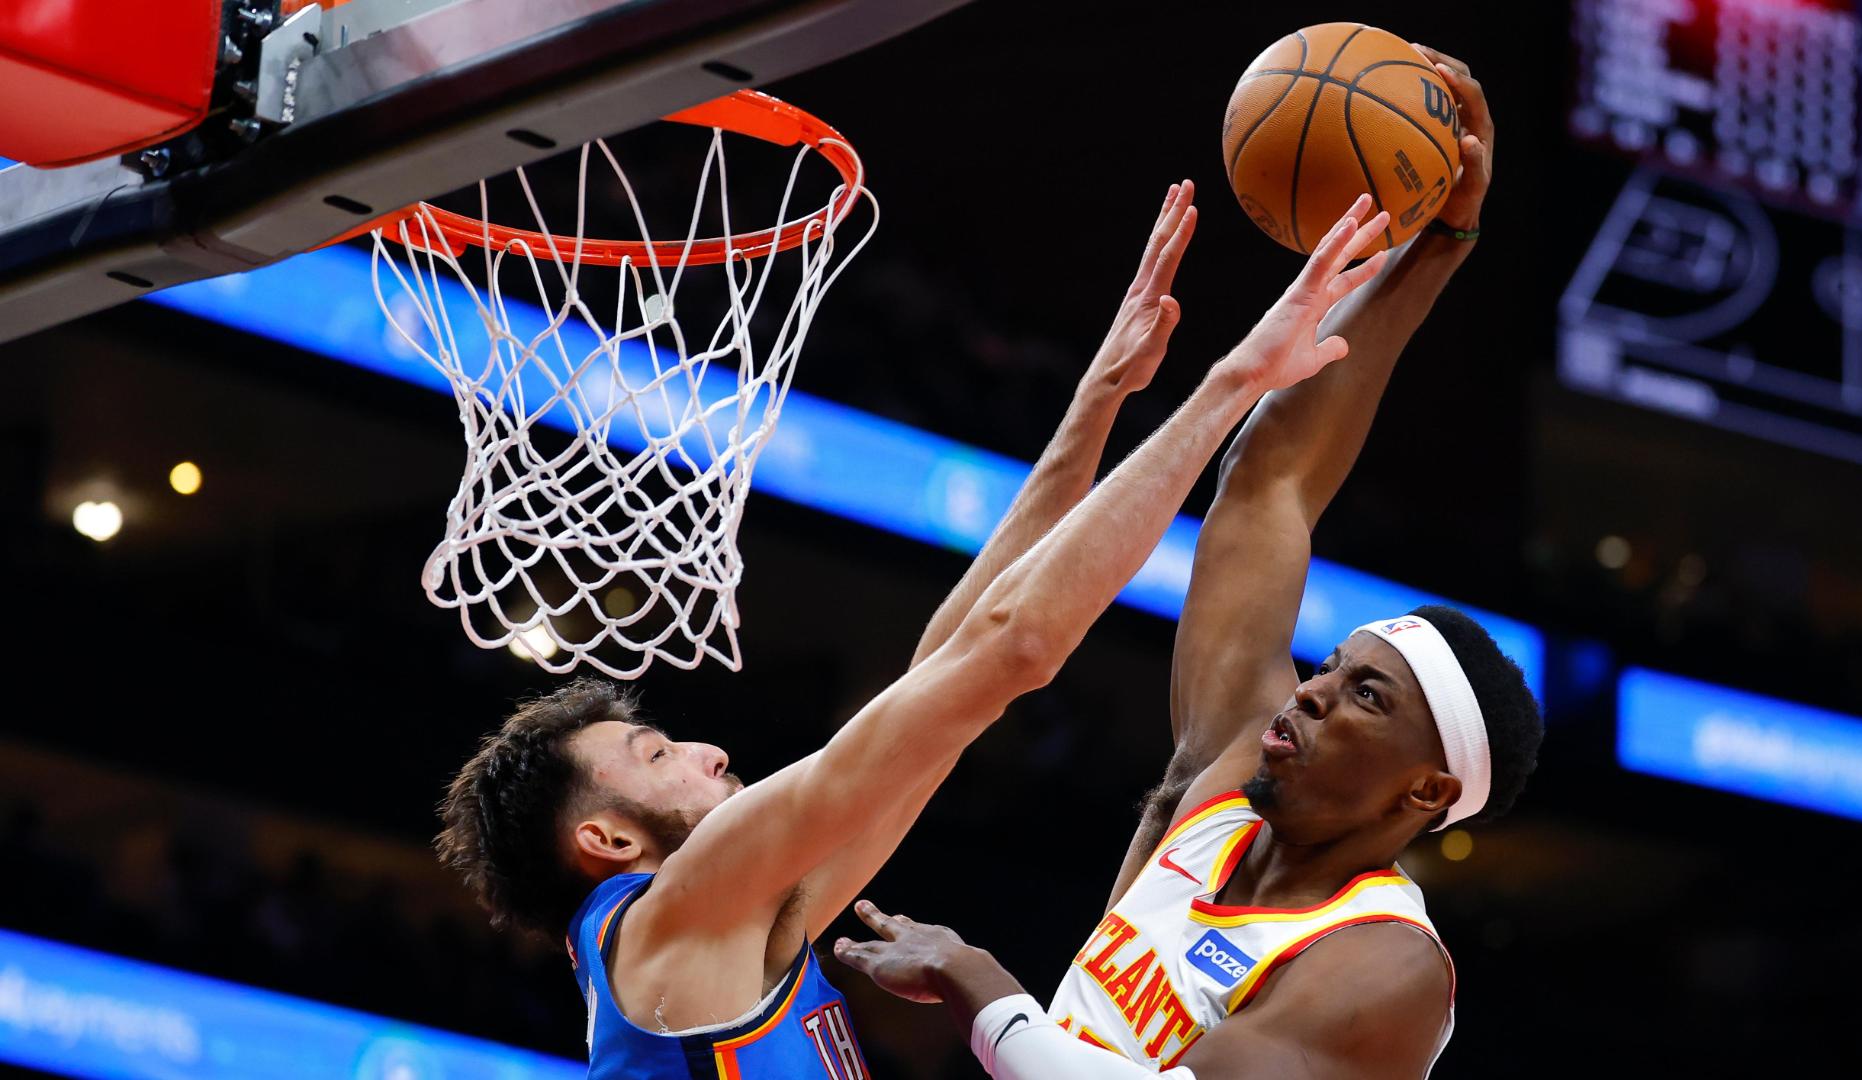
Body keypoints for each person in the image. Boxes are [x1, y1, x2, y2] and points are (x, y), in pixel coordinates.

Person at [434, 179, 1396, 1078]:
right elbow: (1008, 652)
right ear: (605, 838)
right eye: (656, 756)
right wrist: (1230, 383)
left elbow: (945, 673)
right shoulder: (676, 913)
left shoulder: (717, 929)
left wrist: (1098, 402)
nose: (710, 749)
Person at [833, 48, 1542, 1080]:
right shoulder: (1227, 783)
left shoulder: (1387, 965)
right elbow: (1272, 485)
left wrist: (978, 980)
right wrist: (1434, 249)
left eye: (1367, 698)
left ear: (1427, 790)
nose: (1311, 696)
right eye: (1333, 667)